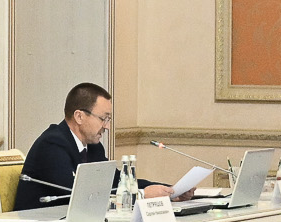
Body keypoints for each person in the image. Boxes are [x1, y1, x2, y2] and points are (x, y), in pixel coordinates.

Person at [12, 82, 166, 211]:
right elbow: (78, 195)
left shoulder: (93, 147)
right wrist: (141, 195)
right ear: (79, 116)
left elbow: (116, 181)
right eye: (103, 118)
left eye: (108, 119)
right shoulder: (52, 144)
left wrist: (166, 190)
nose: (107, 126)